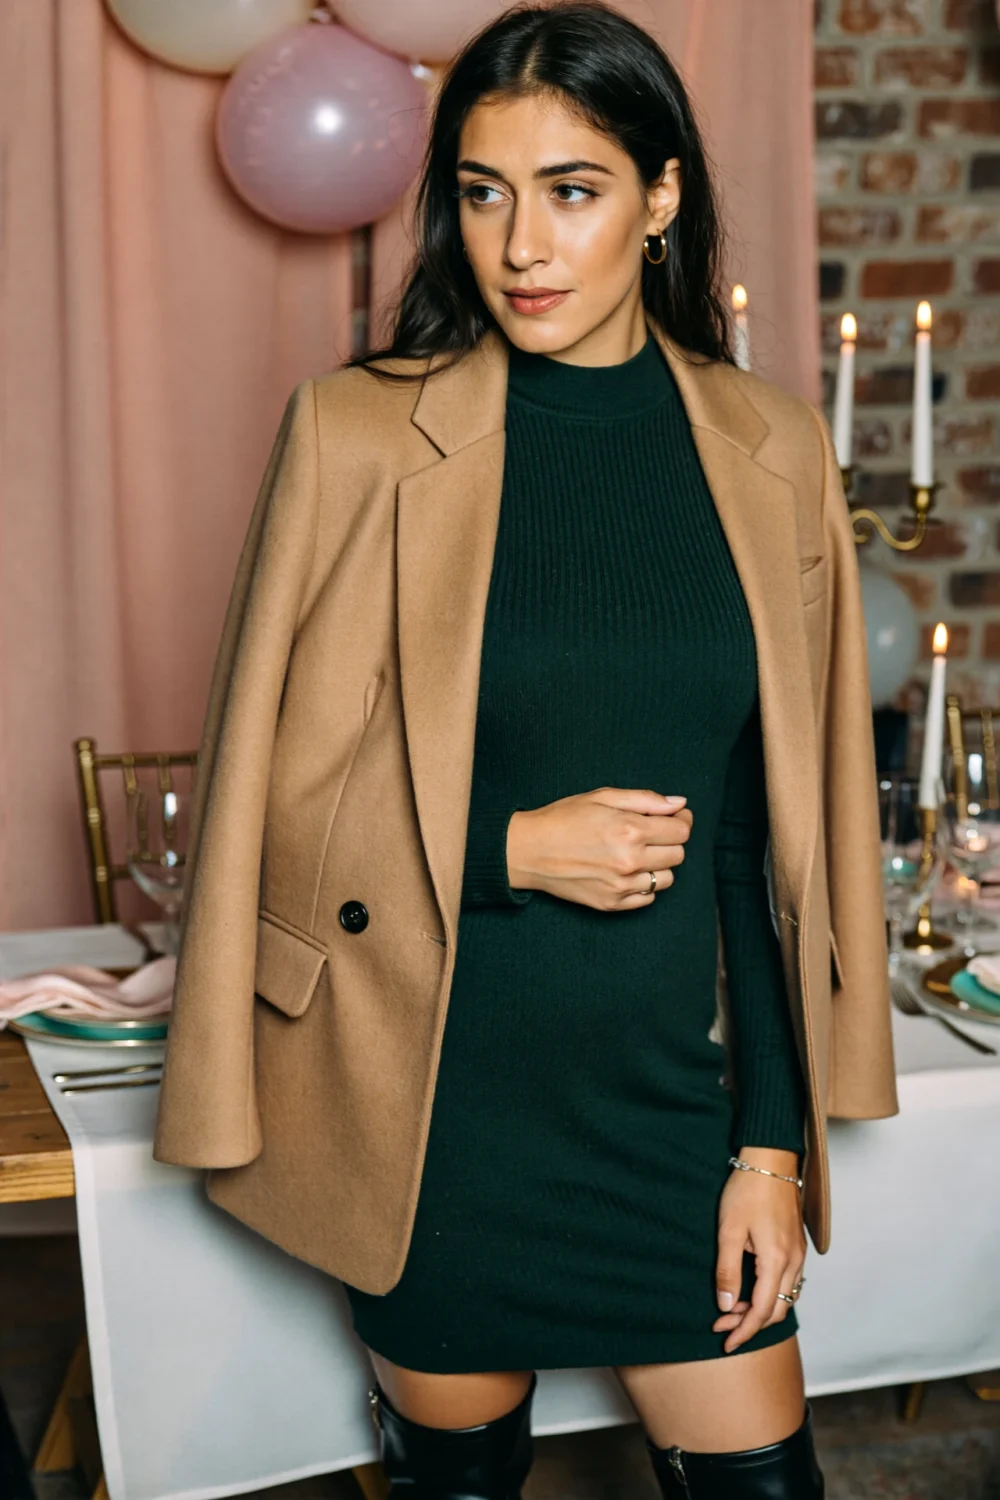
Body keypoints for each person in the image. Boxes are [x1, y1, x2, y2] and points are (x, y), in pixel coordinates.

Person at [152, 4, 899, 1497]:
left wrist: (767, 1151)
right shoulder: (356, 436)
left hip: (672, 1107)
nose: (521, 246)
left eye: (574, 190)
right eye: (484, 193)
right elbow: (255, 817)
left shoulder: (771, 451)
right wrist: (505, 849)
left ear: (663, 195)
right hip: (433, 1110)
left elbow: (773, 842)